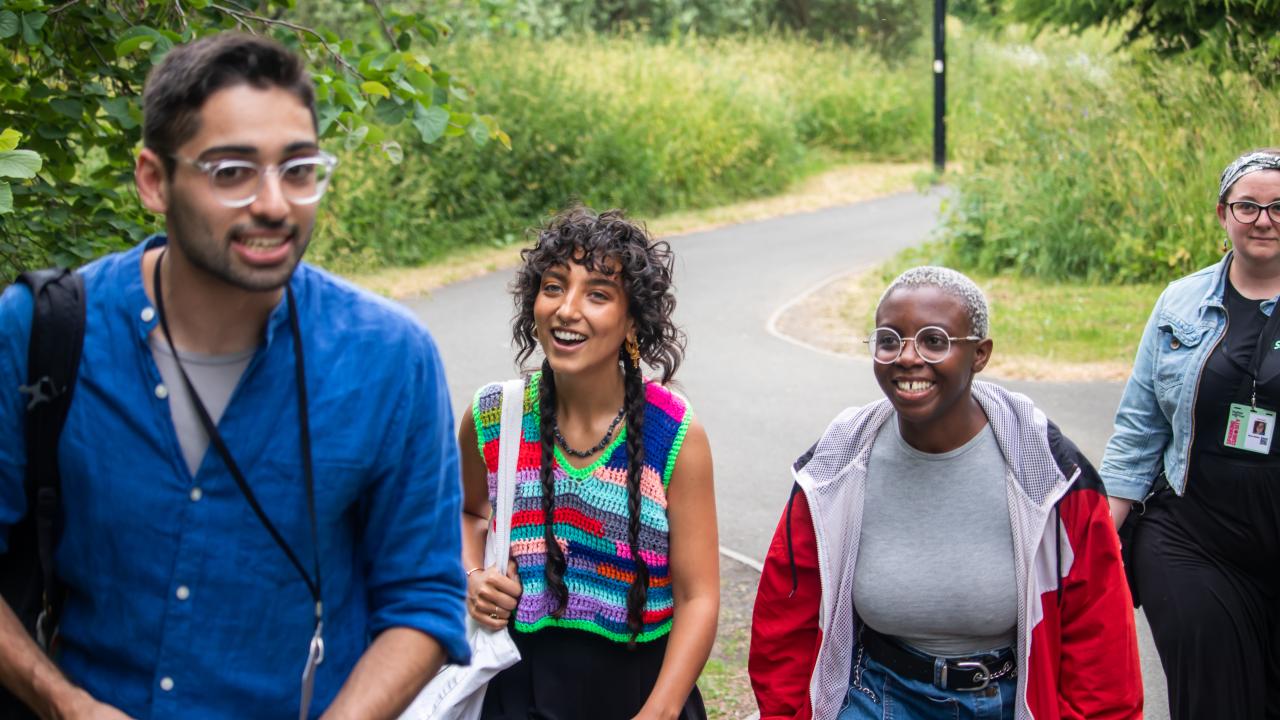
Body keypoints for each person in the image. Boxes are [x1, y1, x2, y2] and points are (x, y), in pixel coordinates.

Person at [0, 33, 468, 718]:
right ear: (153, 180)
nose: (274, 204)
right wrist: (64, 703)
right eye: (231, 171)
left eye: (299, 169)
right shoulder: (41, 333)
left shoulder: (391, 358)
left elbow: (423, 598)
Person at [749, 266, 1143, 720]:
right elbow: (786, 618)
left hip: (1011, 701)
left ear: (980, 354)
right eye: (889, 340)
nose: (907, 357)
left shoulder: (1048, 474)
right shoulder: (835, 468)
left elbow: (1100, 639)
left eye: (934, 341)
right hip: (874, 697)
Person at [458, 206, 719, 719]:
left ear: (632, 320)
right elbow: (464, 512)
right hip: (517, 689)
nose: (567, 309)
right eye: (553, 287)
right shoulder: (493, 416)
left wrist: (661, 710)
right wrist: (472, 573)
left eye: (597, 294)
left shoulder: (674, 436)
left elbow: (699, 598)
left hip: (640, 690)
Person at [1100, 148, 1280, 719]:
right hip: (1192, 538)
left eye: (1278, 207)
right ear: (1223, 214)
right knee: (1213, 701)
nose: (1263, 220)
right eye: (1247, 206)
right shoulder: (1180, 303)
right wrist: (1096, 538)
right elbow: (1139, 428)